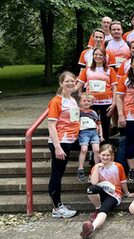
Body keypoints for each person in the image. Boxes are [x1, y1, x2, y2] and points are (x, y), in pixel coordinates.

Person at [80, 144, 134, 239]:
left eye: (108, 155)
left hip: (114, 194)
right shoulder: (96, 167)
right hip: (101, 192)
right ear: (99, 155)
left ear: (112, 156)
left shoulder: (118, 166)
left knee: (104, 210)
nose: (105, 157)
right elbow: (94, 183)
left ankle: (92, 227)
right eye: (103, 155)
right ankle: (97, 207)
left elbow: (123, 182)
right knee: (91, 189)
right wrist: (97, 167)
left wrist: (127, 193)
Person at [47, 71, 80, 218]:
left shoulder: (72, 99)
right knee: (57, 174)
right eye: (67, 81)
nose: (70, 83)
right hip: (61, 141)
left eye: (72, 81)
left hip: (72, 139)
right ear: (61, 83)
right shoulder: (56, 101)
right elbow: (51, 126)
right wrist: (57, 147)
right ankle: (57, 207)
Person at [75, 47, 118, 143]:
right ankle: (92, 145)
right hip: (91, 102)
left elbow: (115, 88)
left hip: (107, 102)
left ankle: (105, 146)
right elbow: (79, 85)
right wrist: (68, 90)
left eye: (100, 55)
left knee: (105, 124)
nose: (98, 56)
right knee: (91, 124)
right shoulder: (87, 70)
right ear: (93, 56)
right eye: (96, 54)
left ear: (104, 57)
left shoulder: (110, 70)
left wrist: (114, 103)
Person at [77, 93, 103, 182]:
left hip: (93, 132)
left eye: (89, 101)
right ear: (80, 102)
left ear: (92, 103)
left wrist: (101, 135)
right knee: (84, 149)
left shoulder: (93, 112)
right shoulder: (78, 111)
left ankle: (96, 167)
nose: (86, 103)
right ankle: (80, 168)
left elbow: (99, 124)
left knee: (96, 150)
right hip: (83, 132)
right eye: (84, 101)